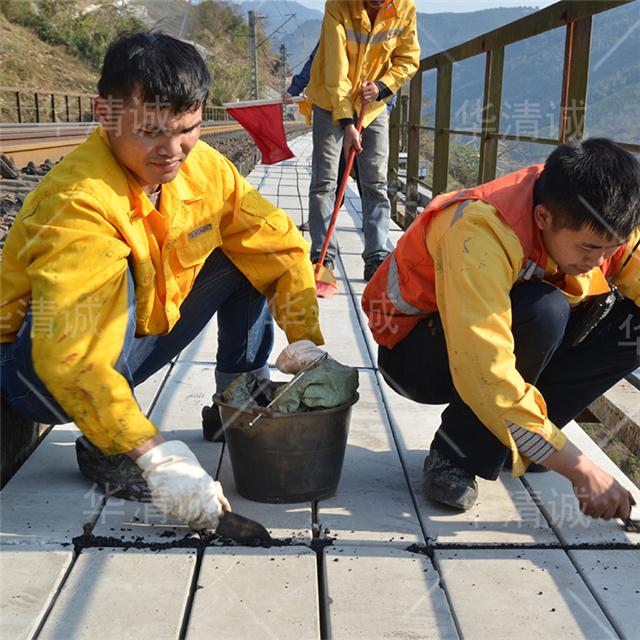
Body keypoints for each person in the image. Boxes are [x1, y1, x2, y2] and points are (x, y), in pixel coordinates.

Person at [0, 32, 326, 531]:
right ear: (105, 115)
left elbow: (279, 242)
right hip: (40, 378)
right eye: (150, 132)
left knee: (248, 252)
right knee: (123, 265)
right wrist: (156, 455)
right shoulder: (78, 203)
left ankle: (236, 401)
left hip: (134, 335)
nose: (172, 151)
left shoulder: (202, 167)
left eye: (188, 129)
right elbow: (70, 358)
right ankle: (108, 445)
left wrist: (304, 337)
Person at [363, 138, 640, 521]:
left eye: (611, 250)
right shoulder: (479, 231)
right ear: (543, 218)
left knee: (634, 327)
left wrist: (553, 450)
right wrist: (580, 468)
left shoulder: (599, 223)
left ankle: (527, 443)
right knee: (545, 311)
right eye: (588, 250)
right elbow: (485, 371)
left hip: (501, 340)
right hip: (417, 352)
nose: (598, 262)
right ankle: (456, 454)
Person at [305, 0, 420, 281]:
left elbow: (409, 59)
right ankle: (322, 255)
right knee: (325, 180)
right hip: (330, 100)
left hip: (374, 104)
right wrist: (346, 123)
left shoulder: (405, 8)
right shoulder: (338, 6)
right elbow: (335, 69)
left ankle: (377, 256)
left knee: (375, 181)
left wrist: (383, 86)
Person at [286, 40, 399, 224]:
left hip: (369, 110)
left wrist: (387, 108)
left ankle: (371, 229)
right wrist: (295, 88)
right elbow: (316, 61)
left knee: (370, 174)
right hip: (336, 107)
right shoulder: (336, 25)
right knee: (332, 171)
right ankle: (324, 222)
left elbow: (394, 71)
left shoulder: (384, 31)